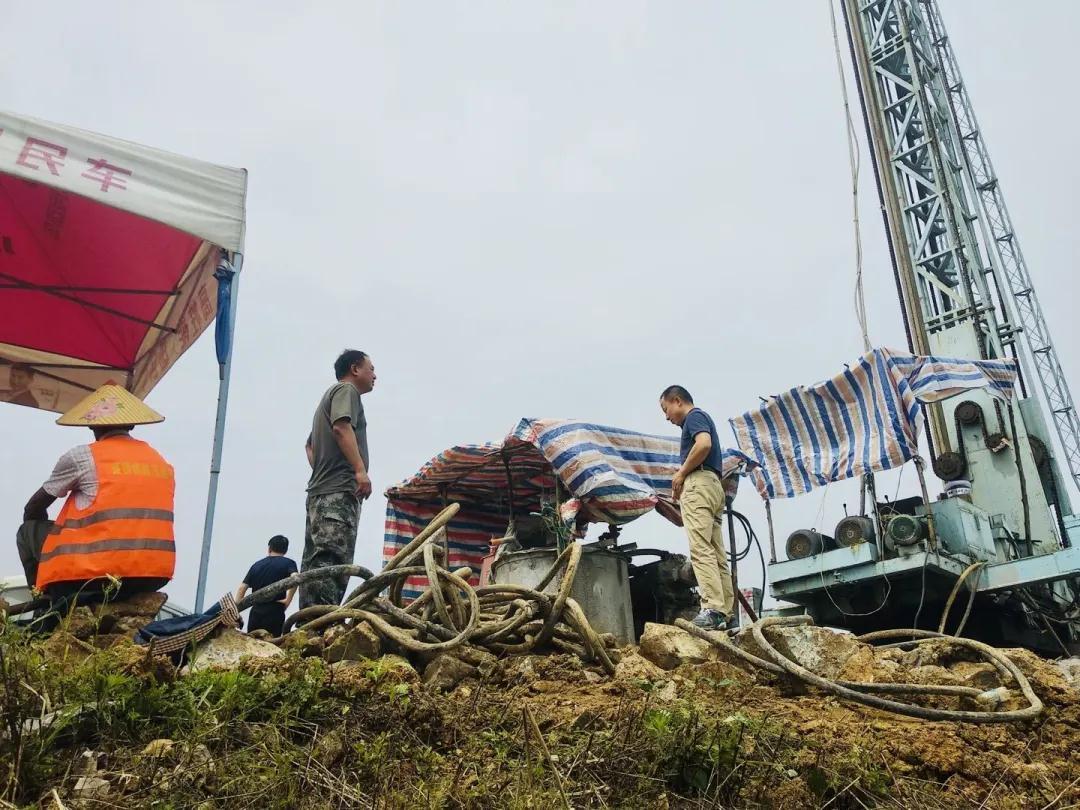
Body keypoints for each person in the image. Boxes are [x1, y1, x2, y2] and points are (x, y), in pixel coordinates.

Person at [17, 384, 175, 607]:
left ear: (91, 422)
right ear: (132, 423)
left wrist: (49, 544)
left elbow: (33, 508)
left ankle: (43, 603)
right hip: (153, 575)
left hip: (94, 574)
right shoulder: (160, 462)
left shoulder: (83, 456)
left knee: (28, 530)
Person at [301, 349, 376, 608]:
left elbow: (309, 446)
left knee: (316, 562)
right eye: (371, 369)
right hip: (337, 492)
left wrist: (323, 471)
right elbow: (341, 427)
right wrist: (359, 470)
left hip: (320, 493)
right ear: (355, 369)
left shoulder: (329, 396)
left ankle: (310, 622)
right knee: (332, 561)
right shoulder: (346, 391)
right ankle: (323, 622)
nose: (375, 375)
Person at [660, 385, 734, 630]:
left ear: (677, 400)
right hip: (713, 485)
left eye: (666, 409)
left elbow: (703, 444)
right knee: (717, 553)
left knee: (701, 548)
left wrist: (681, 474)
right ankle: (725, 613)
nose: (666, 417)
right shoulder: (701, 417)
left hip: (699, 484)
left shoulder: (694, 417)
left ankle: (712, 608)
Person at [235, 535, 298, 636]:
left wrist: (236, 611)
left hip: (256, 611)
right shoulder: (289, 563)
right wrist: (288, 600)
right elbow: (295, 578)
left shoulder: (256, 565)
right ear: (285, 550)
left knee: (253, 641)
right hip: (275, 610)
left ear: (269, 548)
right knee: (272, 642)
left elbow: (242, 588)